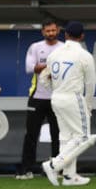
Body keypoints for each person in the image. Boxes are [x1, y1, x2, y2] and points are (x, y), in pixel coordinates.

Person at [40, 22, 96, 186]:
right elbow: (91, 84)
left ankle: (69, 177)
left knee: (66, 137)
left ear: (65, 35)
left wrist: (55, 89)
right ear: (82, 36)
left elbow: (44, 78)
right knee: (84, 137)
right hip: (73, 97)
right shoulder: (84, 55)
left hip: (56, 97)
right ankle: (54, 164)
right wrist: (88, 104)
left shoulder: (54, 54)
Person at [16, 21, 62, 179]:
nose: (51, 33)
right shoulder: (35, 47)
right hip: (37, 97)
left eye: (53, 30)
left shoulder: (63, 48)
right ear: (43, 32)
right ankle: (26, 170)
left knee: (57, 135)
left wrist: (47, 66)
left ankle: (56, 169)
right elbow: (30, 68)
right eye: (48, 30)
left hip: (57, 97)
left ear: (58, 31)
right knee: (31, 135)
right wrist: (51, 65)